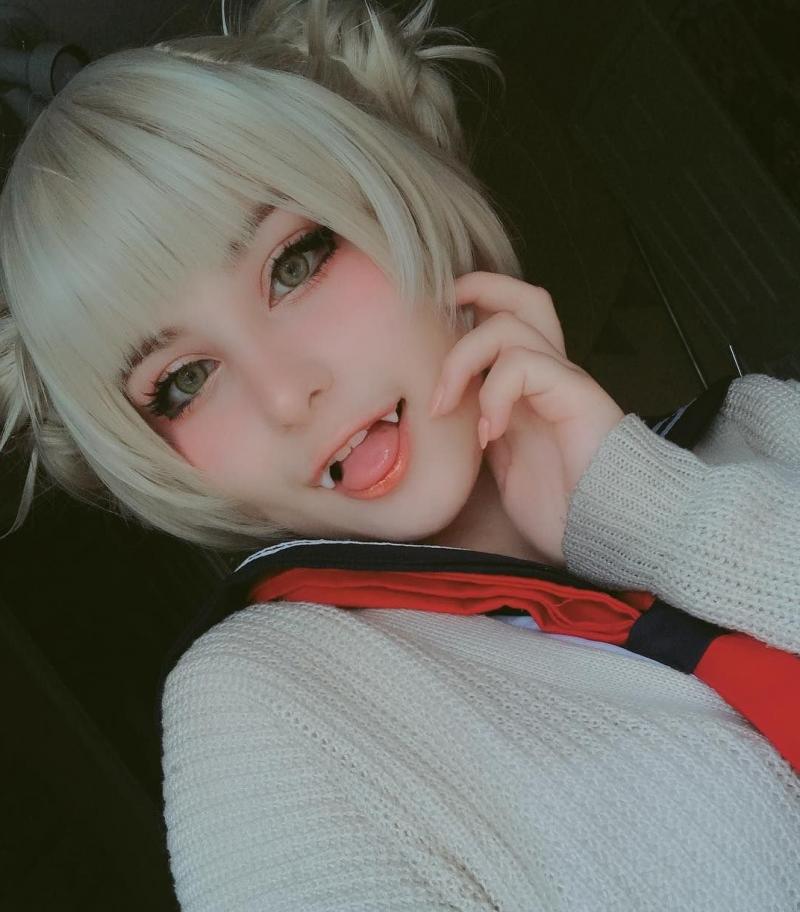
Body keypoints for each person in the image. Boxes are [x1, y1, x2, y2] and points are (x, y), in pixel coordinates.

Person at [0, 0, 797, 909]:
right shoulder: (269, 704)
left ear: (396, 190)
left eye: (293, 264)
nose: (286, 393)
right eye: (184, 381)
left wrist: (641, 509)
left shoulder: (764, 426)